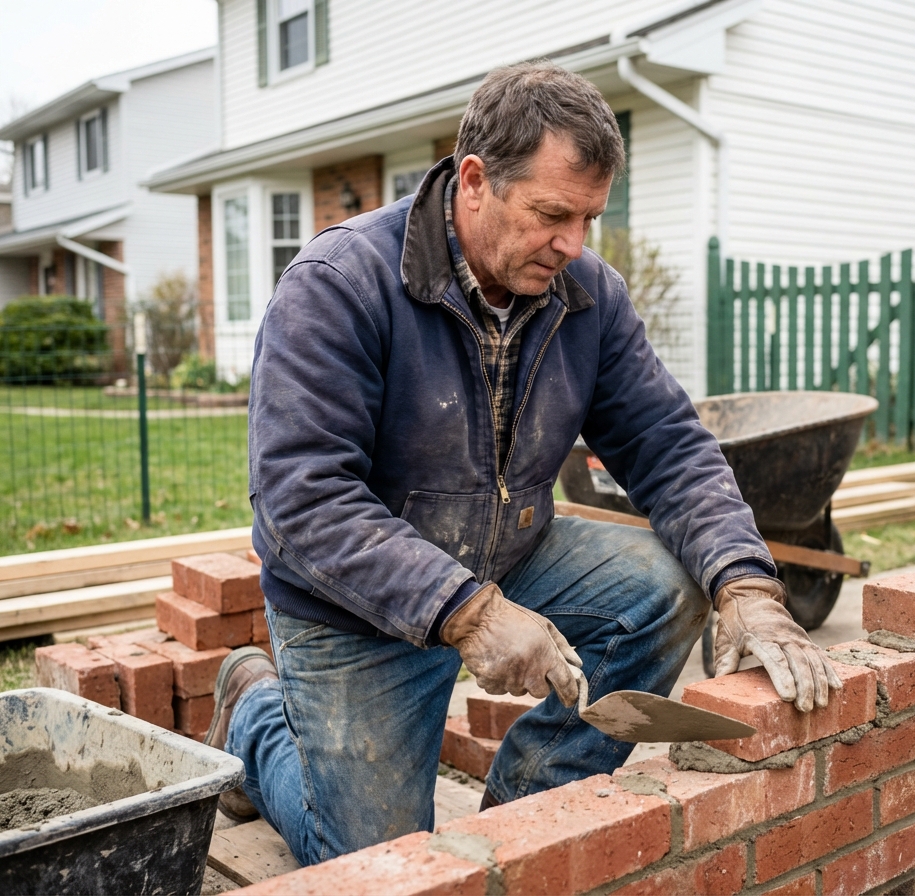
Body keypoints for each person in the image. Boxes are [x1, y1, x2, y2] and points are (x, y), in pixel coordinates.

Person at [204, 61, 842, 867]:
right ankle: (257, 711)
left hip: (510, 551)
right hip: (353, 603)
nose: (573, 245)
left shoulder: (587, 295)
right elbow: (301, 500)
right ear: (475, 181)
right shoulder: (340, 284)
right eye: (552, 214)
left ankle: (517, 822)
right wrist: (466, 611)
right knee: (373, 858)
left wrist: (747, 585)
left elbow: (668, 443)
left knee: (664, 586)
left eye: (589, 218)